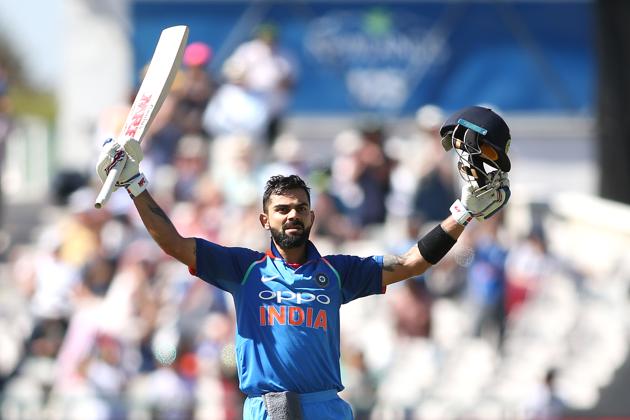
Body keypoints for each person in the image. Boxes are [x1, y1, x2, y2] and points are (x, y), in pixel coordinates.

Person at [95, 106, 511, 419]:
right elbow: (174, 243)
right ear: (265, 219)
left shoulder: (337, 272)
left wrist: (463, 214)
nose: (291, 215)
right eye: (281, 209)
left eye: (300, 208)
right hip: (268, 408)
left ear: (312, 216)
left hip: (325, 408)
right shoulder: (245, 270)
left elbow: (410, 263)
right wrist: (135, 185)